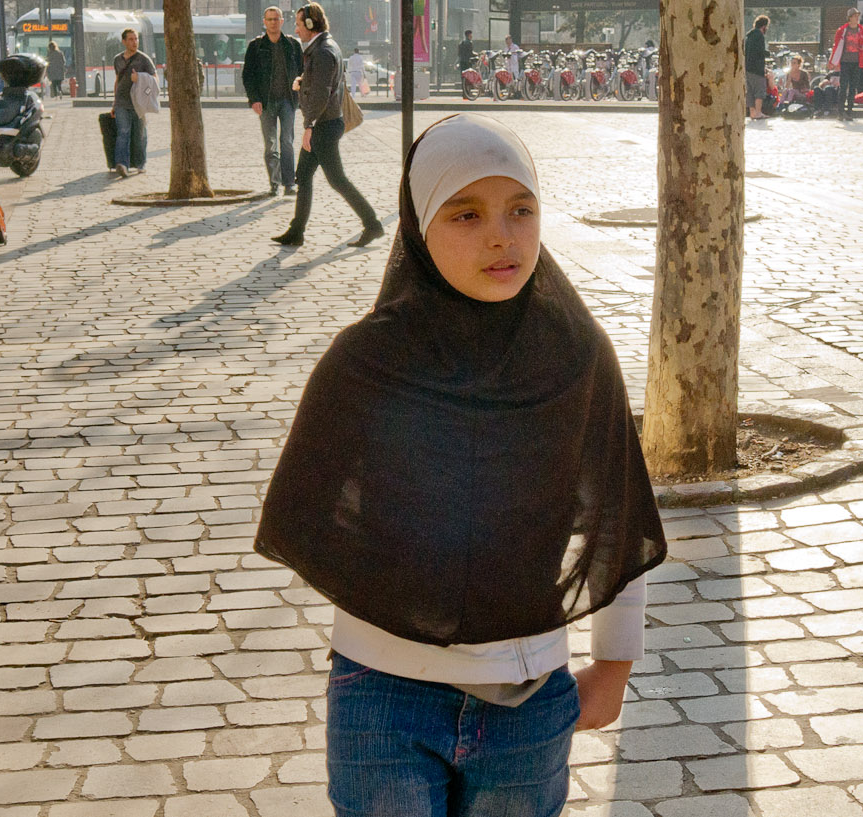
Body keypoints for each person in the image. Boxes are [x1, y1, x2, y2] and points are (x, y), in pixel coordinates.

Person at [255, 112, 664, 817]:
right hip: (384, 693)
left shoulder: (576, 354)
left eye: (521, 209)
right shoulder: (367, 361)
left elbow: (618, 511)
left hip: (530, 698)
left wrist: (615, 664)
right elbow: (309, 510)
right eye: (466, 213)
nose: (501, 236)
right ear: (419, 224)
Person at [271, 3, 381, 248]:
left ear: (311, 25)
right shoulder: (323, 47)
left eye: (299, 24)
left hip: (324, 125)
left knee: (337, 179)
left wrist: (308, 125)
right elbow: (323, 84)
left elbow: (322, 93)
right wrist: (303, 81)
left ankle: (372, 224)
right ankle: (296, 230)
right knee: (305, 175)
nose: (296, 30)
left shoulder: (322, 52)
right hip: (325, 123)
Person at [244, 6, 303, 197]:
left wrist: (300, 95)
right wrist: (254, 99)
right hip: (266, 102)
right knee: (270, 144)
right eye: (269, 19)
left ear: (282, 21)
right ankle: (274, 183)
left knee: (287, 141)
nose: (273, 22)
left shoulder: (292, 45)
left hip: (287, 100)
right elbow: (248, 75)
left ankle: (289, 183)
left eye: (276, 19)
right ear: (264, 22)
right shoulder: (256, 46)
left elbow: (303, 71)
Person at [112, 29, 156, 177]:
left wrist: (142, 83)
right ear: (124, 42)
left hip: (139, 104)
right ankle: (122, 164)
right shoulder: (117, 59)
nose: (134, 42)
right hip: (121, 103)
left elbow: (155, 81)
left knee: (140, 135)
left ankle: (140, 163)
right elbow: (117, 80)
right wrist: (114, 103)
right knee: (123, 133)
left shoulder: (144, 59)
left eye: (136, 39)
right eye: (130, 39)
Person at [829, 7, 863, 120]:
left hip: (857, 62)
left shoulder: (862, 30)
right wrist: (833, 61)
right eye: (855, 16)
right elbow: (836, 46)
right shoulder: (842, 30)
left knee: (853, 88)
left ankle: (849, 112)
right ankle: (840, 112)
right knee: (843, 87)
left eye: (858, 16)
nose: (857, 18)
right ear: (850, 18)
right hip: (845, 62)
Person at [745, 15, 770, 119]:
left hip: (748, 68)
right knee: (759, 90)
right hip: (756, 69)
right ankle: (759, 112)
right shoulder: (759, 36)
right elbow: (759, 52)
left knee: (750, 91)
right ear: (764, 26)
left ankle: (752, 113)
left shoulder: (749, 36)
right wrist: (767, 53)